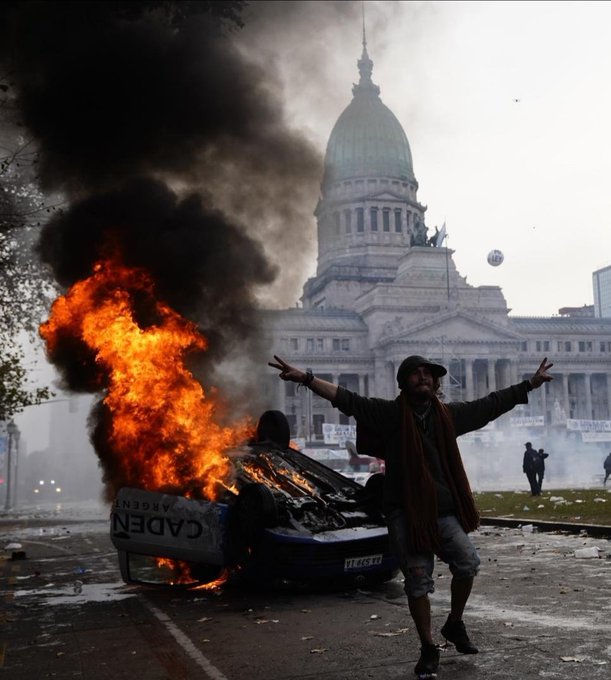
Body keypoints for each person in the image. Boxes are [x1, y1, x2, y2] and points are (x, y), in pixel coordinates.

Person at [269, 353, 553, 677]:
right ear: (403, 383)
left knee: (468, 562)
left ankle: (455, 623)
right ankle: (428, 647)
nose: (424, 378)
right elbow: (348, 400)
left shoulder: (449, 416)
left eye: (428, 374)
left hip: (442, 511)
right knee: (418, 583)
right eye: (416, 374)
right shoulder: (390, 415)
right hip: (405, 512)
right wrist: (306, 378)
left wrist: (529, 384)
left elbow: (491, 404)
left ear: (436, 382)